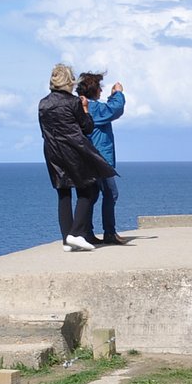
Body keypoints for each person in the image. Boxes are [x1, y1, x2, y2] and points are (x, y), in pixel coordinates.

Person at [37, 63, 117, 252]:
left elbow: (44, 131)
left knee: (63, 193)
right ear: (68, 82)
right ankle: (76, 233)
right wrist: (86, 109)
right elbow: (87, 127)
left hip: (52, 151)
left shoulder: (43, 103)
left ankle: (67, 239)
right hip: (74, 151)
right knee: (88, 190)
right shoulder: (73, 102)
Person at [77, 72, 127, 244]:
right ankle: (109, 233)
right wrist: (118, 93)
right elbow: (113, 110)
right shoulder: (94, 108)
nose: (101, 90)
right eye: (99, 87)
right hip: (99, 160)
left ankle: (87, 232)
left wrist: (113, 96)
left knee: (92, 195)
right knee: (110, 193)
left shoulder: (85, 106)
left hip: (88, 159)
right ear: (94, 89)